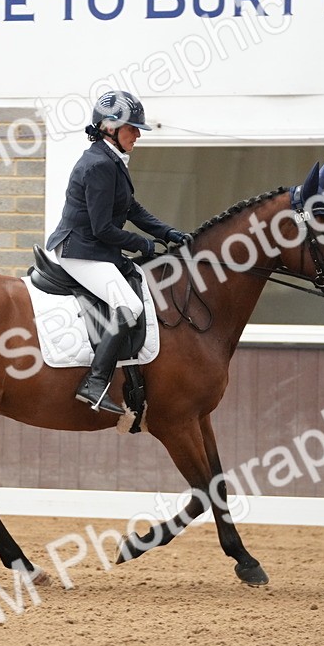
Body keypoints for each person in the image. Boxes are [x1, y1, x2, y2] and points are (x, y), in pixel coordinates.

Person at [45, 90, 190, 413]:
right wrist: (144, 244)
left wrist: (168, 232)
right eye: (132, 128)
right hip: (80, 251)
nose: (137, 135)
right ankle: (95, 382)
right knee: (128, 306)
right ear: (109, 127)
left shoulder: (110, 160)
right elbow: (102, 230)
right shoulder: (99, 165)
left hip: (94, 249)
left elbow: (131, 208)